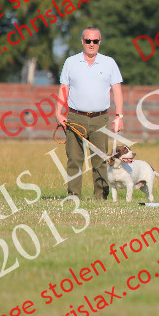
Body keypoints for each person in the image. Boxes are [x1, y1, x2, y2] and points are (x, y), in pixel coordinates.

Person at [55, 27, 124, 200]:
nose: (91, 44)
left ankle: (100, 197)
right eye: (88, 41)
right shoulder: (71, 62)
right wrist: (58, 112)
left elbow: (117, 91)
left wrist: (119, 116)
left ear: (100, 42)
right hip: (75, 117)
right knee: (74, 159)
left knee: (100, 159)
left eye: (95, 41)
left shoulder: (109, 63)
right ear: (82, 41)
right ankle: (73, 196)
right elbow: (64, 88)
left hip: (100, 118)